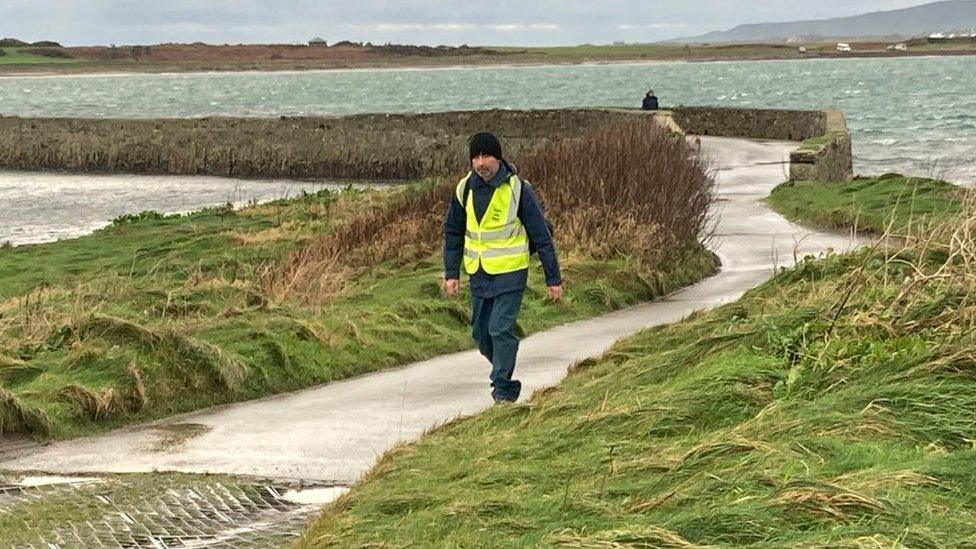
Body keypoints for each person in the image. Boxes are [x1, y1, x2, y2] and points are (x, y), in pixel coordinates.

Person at [443, 132, 562, 404]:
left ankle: (503, 391)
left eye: (486, 156)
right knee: (481, 334)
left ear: (498, 158)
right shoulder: (464, 189)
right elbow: (453, 232)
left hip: (510, 274)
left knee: (499, 329)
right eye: (476, 157)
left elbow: (542, 236)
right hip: (479, 273)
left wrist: (552, 279)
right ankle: (503, 364)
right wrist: (452, 273)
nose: (481, 162)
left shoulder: (518, 189)